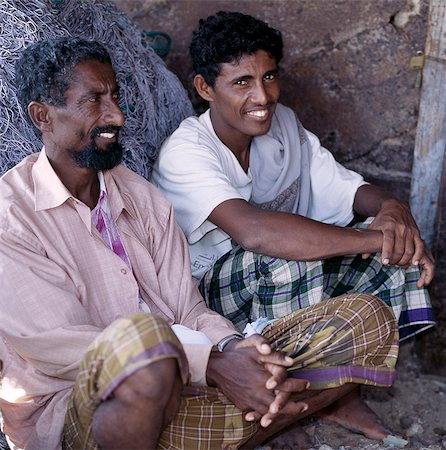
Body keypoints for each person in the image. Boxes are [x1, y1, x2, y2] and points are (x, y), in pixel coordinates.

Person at [0, 37, 399, 450]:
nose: (116, 115)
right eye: (94, 101)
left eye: (115, 96)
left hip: (187, 392)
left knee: (365, 318)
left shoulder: (141, 197)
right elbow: (60, 346)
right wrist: (210, 364)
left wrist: (239, 352)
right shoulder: (10, 216)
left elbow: (188, 308)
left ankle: (258, 408)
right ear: (42, 116)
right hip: (85, 414)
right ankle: (262, 417)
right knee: (144, 341)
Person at [152, 10, 436, 342]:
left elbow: (349, 190)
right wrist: (378, 240)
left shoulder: (282, 123)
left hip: (281, 284)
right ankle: (282, 377)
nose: (262, 96)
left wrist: (393, 210)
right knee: (288, 254)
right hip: (202, 300)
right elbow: (255, 232)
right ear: (206, 88)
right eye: (242, 82)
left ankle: (345, 378)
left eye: (269, 77)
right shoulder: (186, 150)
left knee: (396, 258)